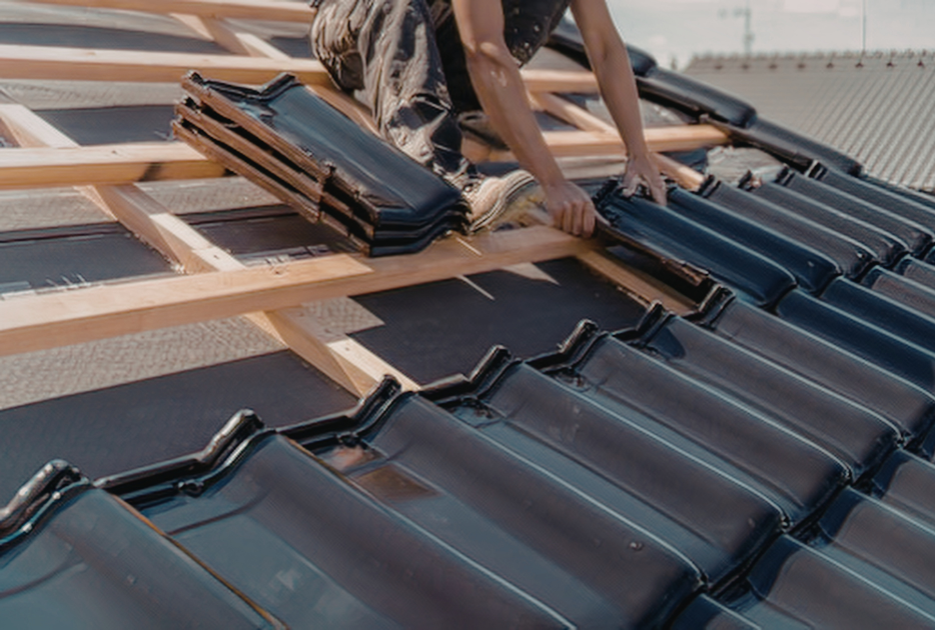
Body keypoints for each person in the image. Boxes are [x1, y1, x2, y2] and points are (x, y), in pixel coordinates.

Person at [310, 0, 667, 237]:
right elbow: (483, 49)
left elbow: (604, 47)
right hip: (357, 25)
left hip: (433, 36)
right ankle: (441, 170)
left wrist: (638, 153)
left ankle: (467, 103)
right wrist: (552, 181)